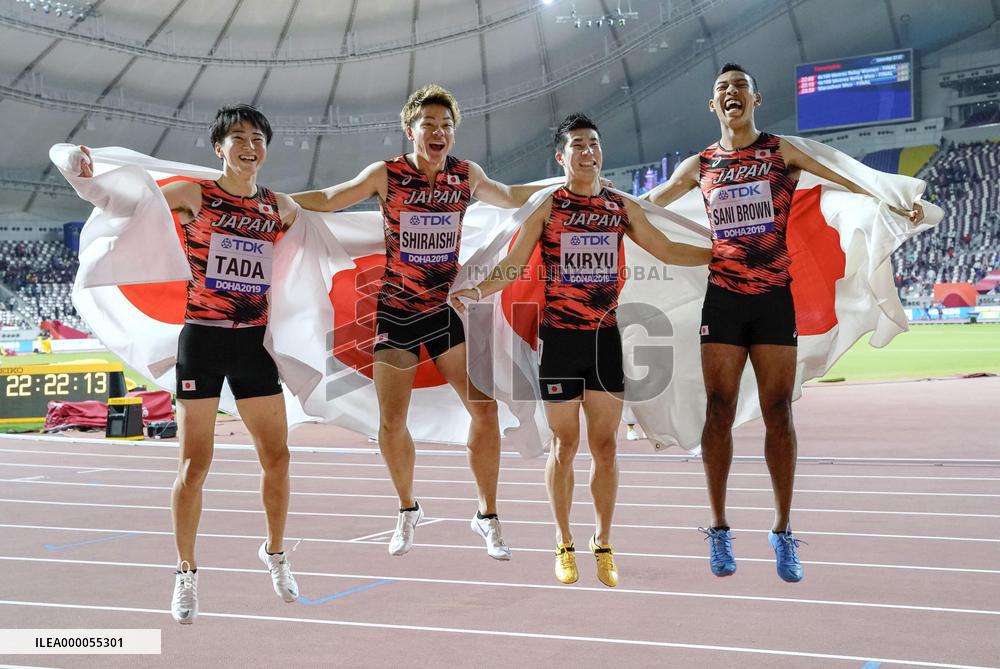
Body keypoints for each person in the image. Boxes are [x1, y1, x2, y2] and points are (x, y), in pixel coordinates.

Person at [644, 63, 924, 582]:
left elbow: (847, 176)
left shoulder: (781, 151)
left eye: (740, 87)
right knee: (719, 410)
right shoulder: (698, 164)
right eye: (722, 89)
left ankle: (782, 530)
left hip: (774, 299)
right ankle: (720, 527)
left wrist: (891, 202)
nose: (731, 93)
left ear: (756, 98)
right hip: (723, 301)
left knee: (779, 411)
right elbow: (643, 211)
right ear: (713, 106)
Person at [292, 84, 554, 560]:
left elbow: (512, 195)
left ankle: (487, 516)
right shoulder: (386, 175)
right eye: (429, 125)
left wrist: (561, 184)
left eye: (446, 126)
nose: (438, 133)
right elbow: (331, 199)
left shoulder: (465, 175)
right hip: (395, 315)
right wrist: (265, 199)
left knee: (485, 410)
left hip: (442, 313)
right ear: (409, 129)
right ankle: (407, 509)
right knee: (391, 422)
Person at [451, 113, 711, 587]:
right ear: (561, 156)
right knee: (565, 445)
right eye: (577, 145)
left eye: (593, 143)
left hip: (604, 341)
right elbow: (512, 265)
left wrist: (722, 254)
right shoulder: (549, 207)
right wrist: (476, 290)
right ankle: (563, 542)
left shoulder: (618, 207)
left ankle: (603, 542)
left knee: (606, 447)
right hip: (561, 343)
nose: (587, 151)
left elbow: (668, 249)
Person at [77, 104, 301, 624]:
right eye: (238, 137)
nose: (250, 145)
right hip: (202, 340)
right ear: (219, 148)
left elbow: (315, 232)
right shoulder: (194, 196)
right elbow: (130, 201)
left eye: (258, 137)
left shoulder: (279, 206)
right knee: (194, 466)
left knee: (279, 457)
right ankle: (185, 572)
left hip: (253, 345)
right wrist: (91, 176)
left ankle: (275, 553)